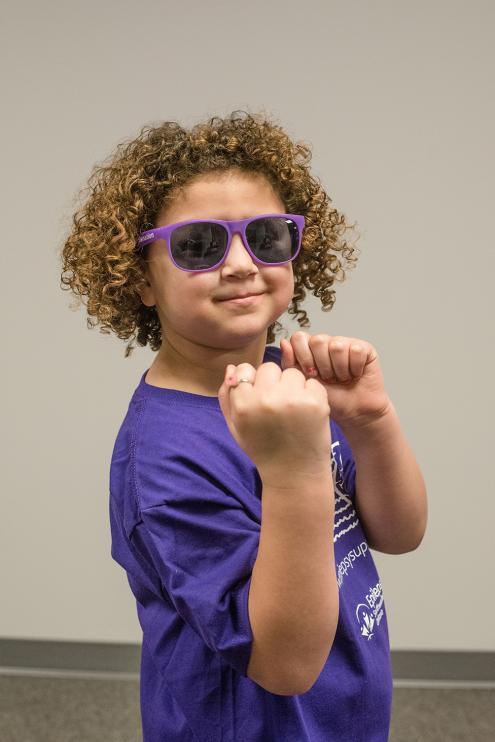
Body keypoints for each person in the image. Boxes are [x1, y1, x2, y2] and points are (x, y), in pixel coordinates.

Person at [59, 109, 427, 741]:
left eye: (267, 236)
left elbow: (399, 532)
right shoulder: (164, 459)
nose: (240, 263)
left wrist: (371, 419)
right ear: (142, 277)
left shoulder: (293, 382)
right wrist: (292, 470)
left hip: (343, 716)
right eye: (199, 244)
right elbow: (282, 665)